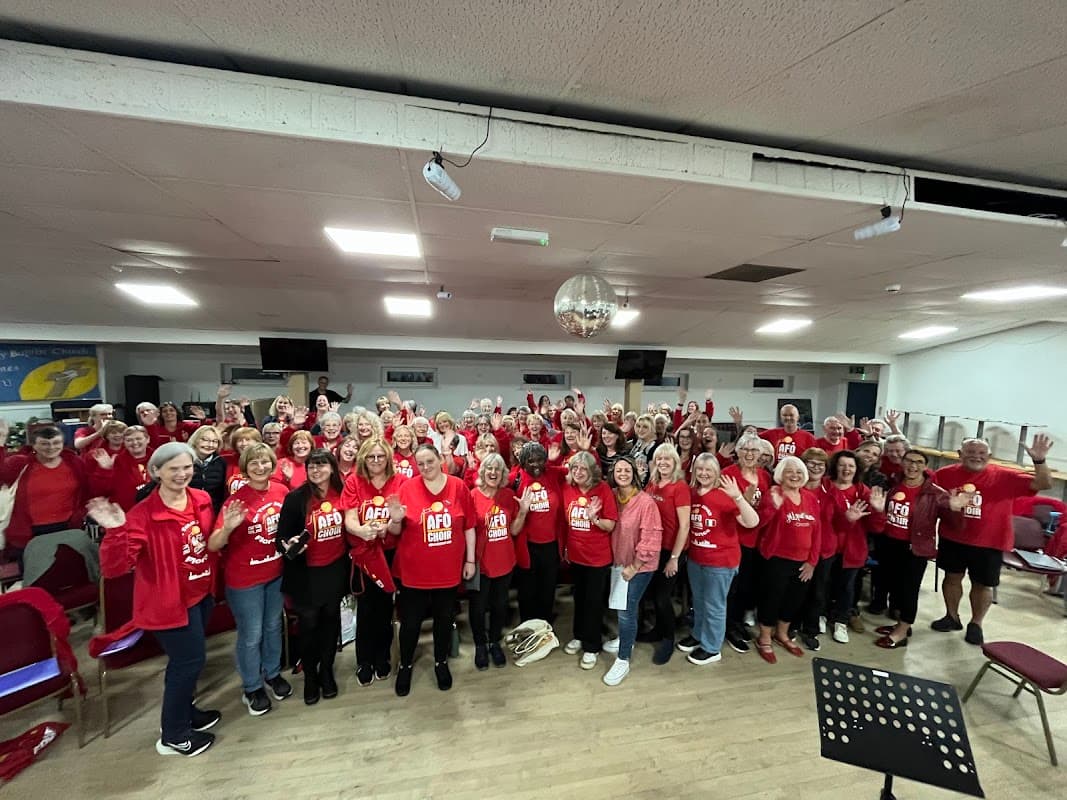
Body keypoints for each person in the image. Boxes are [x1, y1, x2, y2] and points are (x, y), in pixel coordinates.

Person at [90, 443, 221, 758]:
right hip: (168, 602)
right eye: (173, 468)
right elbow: (115, 567)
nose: (181, 474)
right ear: (156, 472)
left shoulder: (201, 499)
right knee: (187, 662)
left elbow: (205, 544)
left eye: (186, 467)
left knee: (191, 662)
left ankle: (186, 713)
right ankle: (174, 735)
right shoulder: (142, 514)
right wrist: (116, 531)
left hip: (201, 593)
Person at [931, 434, 1053, 645]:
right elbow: (931, 500)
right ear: (960, 455)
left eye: (981, 453)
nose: (975, 457)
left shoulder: (1004, 476)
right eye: (970, 452)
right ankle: (952, 616)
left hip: (989, 542)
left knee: (982, 585)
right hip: (953, 537)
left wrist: (1039, 461)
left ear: (989, 456)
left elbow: (1044, 483)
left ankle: (976, 624)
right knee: (951, 578)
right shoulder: (943, 474)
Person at [208, 443, 291, 715]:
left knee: (272, 627)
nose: (260, 467)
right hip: (245, 579)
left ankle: (272, 673)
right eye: (253, 463)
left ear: (272, 464)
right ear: (245, 468)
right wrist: (228, 528)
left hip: (275, 573)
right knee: (251, 634)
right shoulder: (235, 500)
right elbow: (213, 544)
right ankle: (252, 686)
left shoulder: (281, 491)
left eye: (265, 462)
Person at [387, 445, 477, 697]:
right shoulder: (406, 488)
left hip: (447, 570)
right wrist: (394, 519)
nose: (425, 467)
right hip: (413, 571)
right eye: (421, 463)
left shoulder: (459, 487)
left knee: (443, 619)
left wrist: (470, 561)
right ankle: (405, 665)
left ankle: (440, 662)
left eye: (430, 461)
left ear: (440, 459)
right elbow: (395, 532)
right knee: (411, 623)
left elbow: (469, 526)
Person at [875, 449, 973, 648]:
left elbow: (955, 524)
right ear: (902, 462)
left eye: (919, 462)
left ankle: (901, 633)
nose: (913, 466)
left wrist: (956, 509)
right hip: (891, 543)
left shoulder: (935, 493)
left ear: (925, 466)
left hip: (915, 548)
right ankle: (901, 623)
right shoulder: (894, 484)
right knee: (896, 588)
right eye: (909, 461)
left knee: (909, 590)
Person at [275, 449, 348, 704]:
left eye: (321, 465)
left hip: (335, 569)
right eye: (311, 467)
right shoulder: (296, 498)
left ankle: (326, 672)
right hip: (306, 574)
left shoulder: (343, 493)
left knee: (330, 623)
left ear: (332, 467)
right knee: (308, 626)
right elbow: (280, 538)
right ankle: (310, 677)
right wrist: (290, 544)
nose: (316, 470)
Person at [677, 453, 759, 665]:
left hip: (721, 561)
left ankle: (712, 648)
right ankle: (698, 635)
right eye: (700, 470)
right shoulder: (692, 493)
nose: (704, 474)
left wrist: (738, 497)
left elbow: (751, 522)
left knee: (714, 605)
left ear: (717, 473)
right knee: (699, 602)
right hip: (696, 559)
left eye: (709, 470)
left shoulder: (725, 495)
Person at [341, 438, 407, 686]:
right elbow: (349, 518)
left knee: (385, 610)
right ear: (363, 459)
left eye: (381, 456)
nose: (376, 461)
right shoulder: (353, 482)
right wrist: (362, 531)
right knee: (367, 610)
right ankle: (364, 661)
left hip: (390, 553)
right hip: (364, 554)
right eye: (371, 457)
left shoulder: (399, 481)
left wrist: (387, 527)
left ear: (388, 458)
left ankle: (383, 658)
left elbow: (399, 522)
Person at [754, 456, 822, 664]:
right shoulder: (773, 494)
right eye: (789, 471)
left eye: (799, 472)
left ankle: (782, 634)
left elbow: (817, 531)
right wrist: (772, 507)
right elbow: (759, 524)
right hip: (777, 559)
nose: (794, 475)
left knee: (794, 599)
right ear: (780, 475)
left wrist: (812, 562)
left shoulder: (810, 498)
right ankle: (764, 637)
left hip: (803, 562)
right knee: (772, 599)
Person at [602, 457, 662, 685]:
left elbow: (651, 538)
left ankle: (623, 658)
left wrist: (635, 566)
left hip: (639, 565)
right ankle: (625, 638)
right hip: (619, 563)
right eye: (619, 470)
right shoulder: (612, 497)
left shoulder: (645, 502)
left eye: (627, 470)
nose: (623, 473)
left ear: (634, 473)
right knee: (622, 607)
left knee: (626, 610)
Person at [560, 451, 618, 670]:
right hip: (576, 556)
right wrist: (565, 546)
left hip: (597, 558)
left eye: (583, 469)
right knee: (580, 599)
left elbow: (610, 524)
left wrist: (594, 517)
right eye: (575, 468)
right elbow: (567, 522)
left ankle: (592, 647)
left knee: (593, 603)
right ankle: (579, 635)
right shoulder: (568, 488)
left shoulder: (602, 489)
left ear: (592, 470)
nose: (578, 472)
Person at [470, 453, 528, 670]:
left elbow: (513, 530)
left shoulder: (508, 495)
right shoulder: (473, 495)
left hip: (504, 560)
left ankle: (494, 641)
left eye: (498, 469)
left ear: (503, 473)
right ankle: (480, 645)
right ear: (482, 472)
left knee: (499, 605)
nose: (493, 473)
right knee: (477, 607)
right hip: (480, 562)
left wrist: (522, 512)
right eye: (489, 469)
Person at [1, 425, 90, 563]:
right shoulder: (19, 463)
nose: (51, 447)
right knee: (35, 577)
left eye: (56, 443)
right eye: (44, 444)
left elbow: (88, 490)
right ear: (34, 445)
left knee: (69, 575)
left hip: (67, 527)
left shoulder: (74, 462)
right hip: (30, 532)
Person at [823, 451, 884, 645]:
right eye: (842, 465)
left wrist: (878, 510)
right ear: (835, 467)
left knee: (846, 587)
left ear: (857, 469)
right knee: (823, 584)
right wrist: (846, 519)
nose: (846, 469)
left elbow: (876, 527)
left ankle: (841, 620)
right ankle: (821, 615)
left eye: (850, 466)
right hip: (826, 546)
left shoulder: (863, 491)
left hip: (853, 549)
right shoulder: (824, 486)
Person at [722, 433, 770, 652]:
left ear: (761, 454)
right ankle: (729, 627)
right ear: (737, 452)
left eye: (754, 450)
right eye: (745, 450)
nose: (750, 454)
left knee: (747, 587)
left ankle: (738, 622)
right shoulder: (728, 475)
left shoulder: (764, 476)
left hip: (756, 541)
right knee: (733, 587)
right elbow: (721, 510)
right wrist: (744, 504)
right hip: (734, 539)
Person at [643, 444, 691, 665]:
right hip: (655, 548)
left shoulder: (679, 487)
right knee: (654, 594)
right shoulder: (652, 484)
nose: (663, 462)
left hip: (673, 550)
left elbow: (684, 526)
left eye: (667, 459)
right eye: (659, 458)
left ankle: (668, 639)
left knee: (663, 597)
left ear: (675, 463)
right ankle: (657, 630)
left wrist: (674, 558)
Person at [511, 442, 565, 622]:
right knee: (527, 589)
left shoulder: (553, 473)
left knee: (548, 588)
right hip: (527, 546)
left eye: (540, 460)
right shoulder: (515, 478)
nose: (536, 465)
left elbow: (581, 469)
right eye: (530, 461)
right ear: (523, 462)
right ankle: (528, 625)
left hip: (551, 545)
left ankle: (545, 623)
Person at [796, 447, 832, 651]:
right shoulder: (794, 487)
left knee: (818, 593)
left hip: (823, 550)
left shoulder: (830, 490)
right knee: (796, 591)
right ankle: (791, 625)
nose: (816, 467)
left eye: (821, 464)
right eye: (812, 463)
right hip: (797, 549)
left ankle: (810, 630)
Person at [86, 424, 154, 511]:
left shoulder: (160, 460)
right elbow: (98, 492)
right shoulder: (114, 462)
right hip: (126, 514)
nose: (135, 443)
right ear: (124, 442)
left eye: (138, 438)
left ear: (147, 439)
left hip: (154, 512)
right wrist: (105, 470)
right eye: (129, 440)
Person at [187, 426, 227, 513]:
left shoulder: (221, 463)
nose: (210, 445)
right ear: (195, 440)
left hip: (213, 511)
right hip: (188, 510)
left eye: (214, 441)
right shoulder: (184, 460)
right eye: (205, 440)